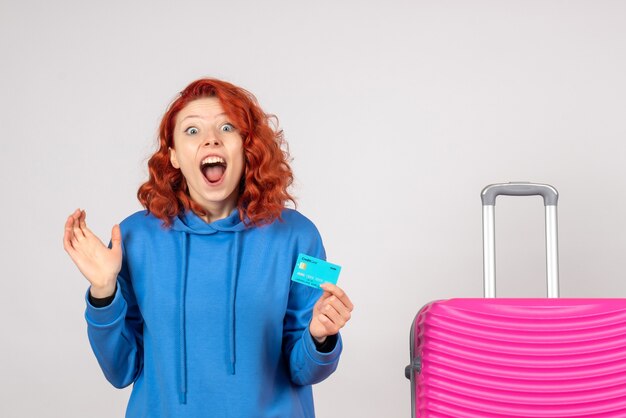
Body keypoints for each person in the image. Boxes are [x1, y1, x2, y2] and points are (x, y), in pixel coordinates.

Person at [63, 78, 353, 418]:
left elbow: (306, 371)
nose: (211, 139)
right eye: (192, 131)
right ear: (172, 155)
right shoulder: (133, 238)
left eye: (226, 127)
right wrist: (103, 292)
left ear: (247, 147)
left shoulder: (300, 236)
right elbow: (120, 371)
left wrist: (321, 337)